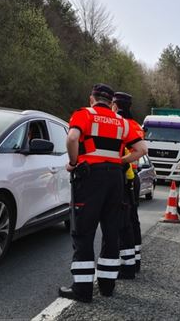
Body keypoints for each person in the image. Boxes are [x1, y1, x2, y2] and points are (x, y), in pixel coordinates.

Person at [59, 84, 147, 303]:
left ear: (92, 99)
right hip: (115, 179)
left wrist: (73, 162)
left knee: (83, 233)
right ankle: (107, 287)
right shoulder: (122, 122)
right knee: (111, 232)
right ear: (111, 102)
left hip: (90, 178)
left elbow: (72, 138)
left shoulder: (84, 114)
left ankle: (82, 290)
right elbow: (142, 150)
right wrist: (119, 161)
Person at [112, 92, 144, 275]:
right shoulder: (135, 125)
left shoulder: (119, 124)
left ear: (115, 105)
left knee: (121, 223)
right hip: (134, 176)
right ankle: (134, 260)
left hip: (123, 175)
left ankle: (125, 264)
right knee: (133, 220)